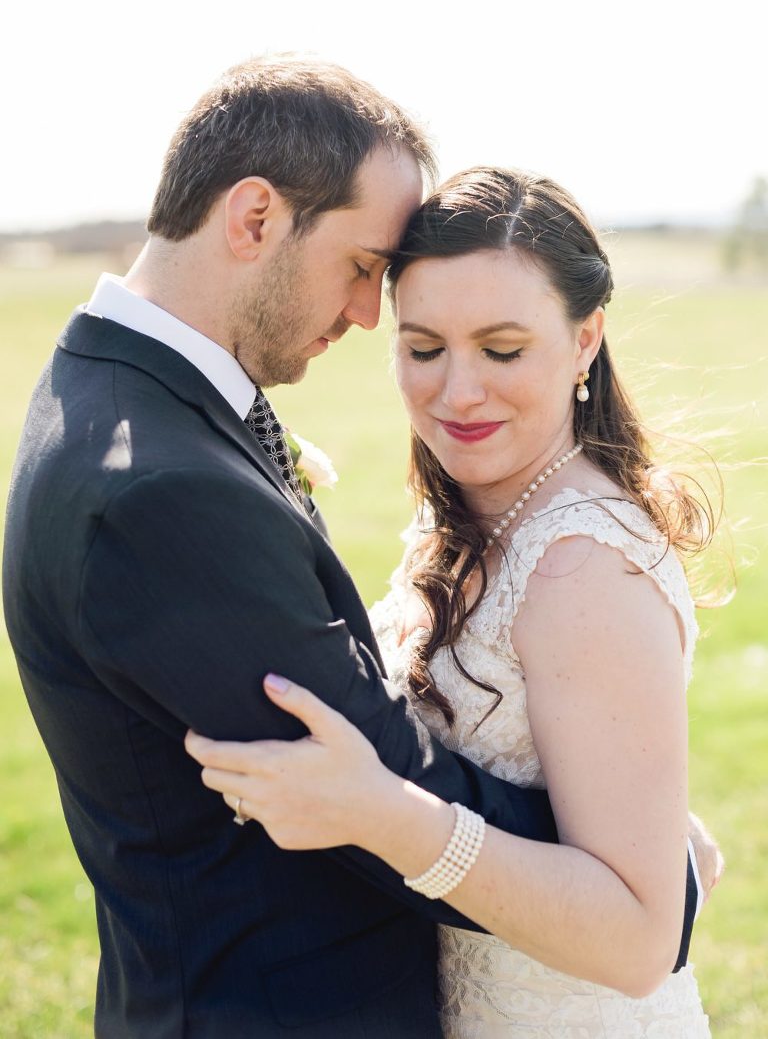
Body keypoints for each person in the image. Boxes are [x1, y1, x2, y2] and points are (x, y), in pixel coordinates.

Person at [5, 56, 659, 1039]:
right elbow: (374, 770)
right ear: (256, 218)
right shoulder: (163, 487)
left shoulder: (112, 391)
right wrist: (624, 861)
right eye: (363, 268)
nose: (366, 316)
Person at [185, 167, 717, 1036]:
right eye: (424, 348)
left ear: (585, 340)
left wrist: (383, 815)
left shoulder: (581, 564)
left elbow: (637, 942)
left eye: (502, 350)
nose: (456, 392)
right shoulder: (471, 509)